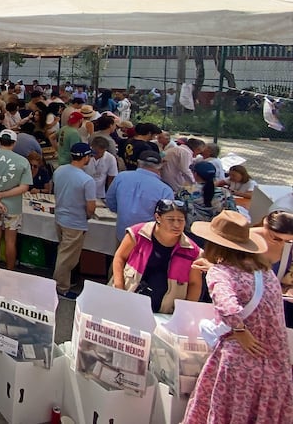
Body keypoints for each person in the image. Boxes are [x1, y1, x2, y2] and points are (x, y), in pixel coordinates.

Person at [184, 211, 293, 424]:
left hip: (240, 365)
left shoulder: (221, 272)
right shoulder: (265, 272)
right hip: (276, 365)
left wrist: (241, 332)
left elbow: (228, 308)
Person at [111, 199, 202, 313]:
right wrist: (119, 288)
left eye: (181, 220)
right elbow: (120, 257)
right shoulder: (137, 234)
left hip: (165, 311)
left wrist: (185, 312)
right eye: (171, 220)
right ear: (158, 217)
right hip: (129, 300)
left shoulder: (192, 251)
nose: (177, 224)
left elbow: (195, 284)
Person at [0, 129, 32, 279]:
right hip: (13, 206)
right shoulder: (23, 161)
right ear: (14, 143)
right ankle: (9, 273)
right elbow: (24, 187)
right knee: (10, 240)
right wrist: (4, 195)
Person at [52, 143, 97, 299]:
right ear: (85, 157)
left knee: (64, 253)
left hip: (60, 217)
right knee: (67, 257)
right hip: (75, 222)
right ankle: (61, 287)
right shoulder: (87, 180)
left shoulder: (59, 170)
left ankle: (63, 281)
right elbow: (91, 207)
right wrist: (89, 216)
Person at [105, 150, 173, 242]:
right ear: (160, 166)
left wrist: (124, 213)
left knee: (120, 255)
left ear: (138, 163)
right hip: (147, 239)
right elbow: (166, 219)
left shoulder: (121, 177)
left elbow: (110, 202)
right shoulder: (165, 189)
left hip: (123, 234)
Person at [83, 135, 118, 201]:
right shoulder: (85, 155)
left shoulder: (110, 158)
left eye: (101, 153)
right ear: (92, 147)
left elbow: (111, 177)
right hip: (83, 190)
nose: (98, 155)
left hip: (100, 193)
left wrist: (109, 194)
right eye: (96, 152)